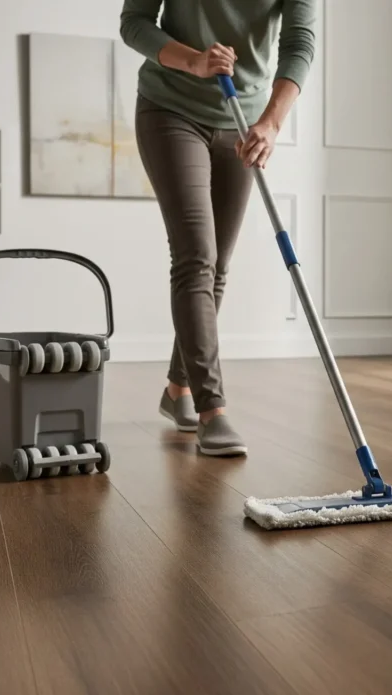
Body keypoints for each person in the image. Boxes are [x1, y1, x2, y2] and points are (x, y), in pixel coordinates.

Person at [120, 0, 316, 457]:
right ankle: (213, 411)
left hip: (243, 119)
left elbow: (298, 43)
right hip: (169, 107)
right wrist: (193, 60)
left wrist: (271, 123)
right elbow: (134, 23)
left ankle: (177, 389)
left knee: (217, 265)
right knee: (195, 257)